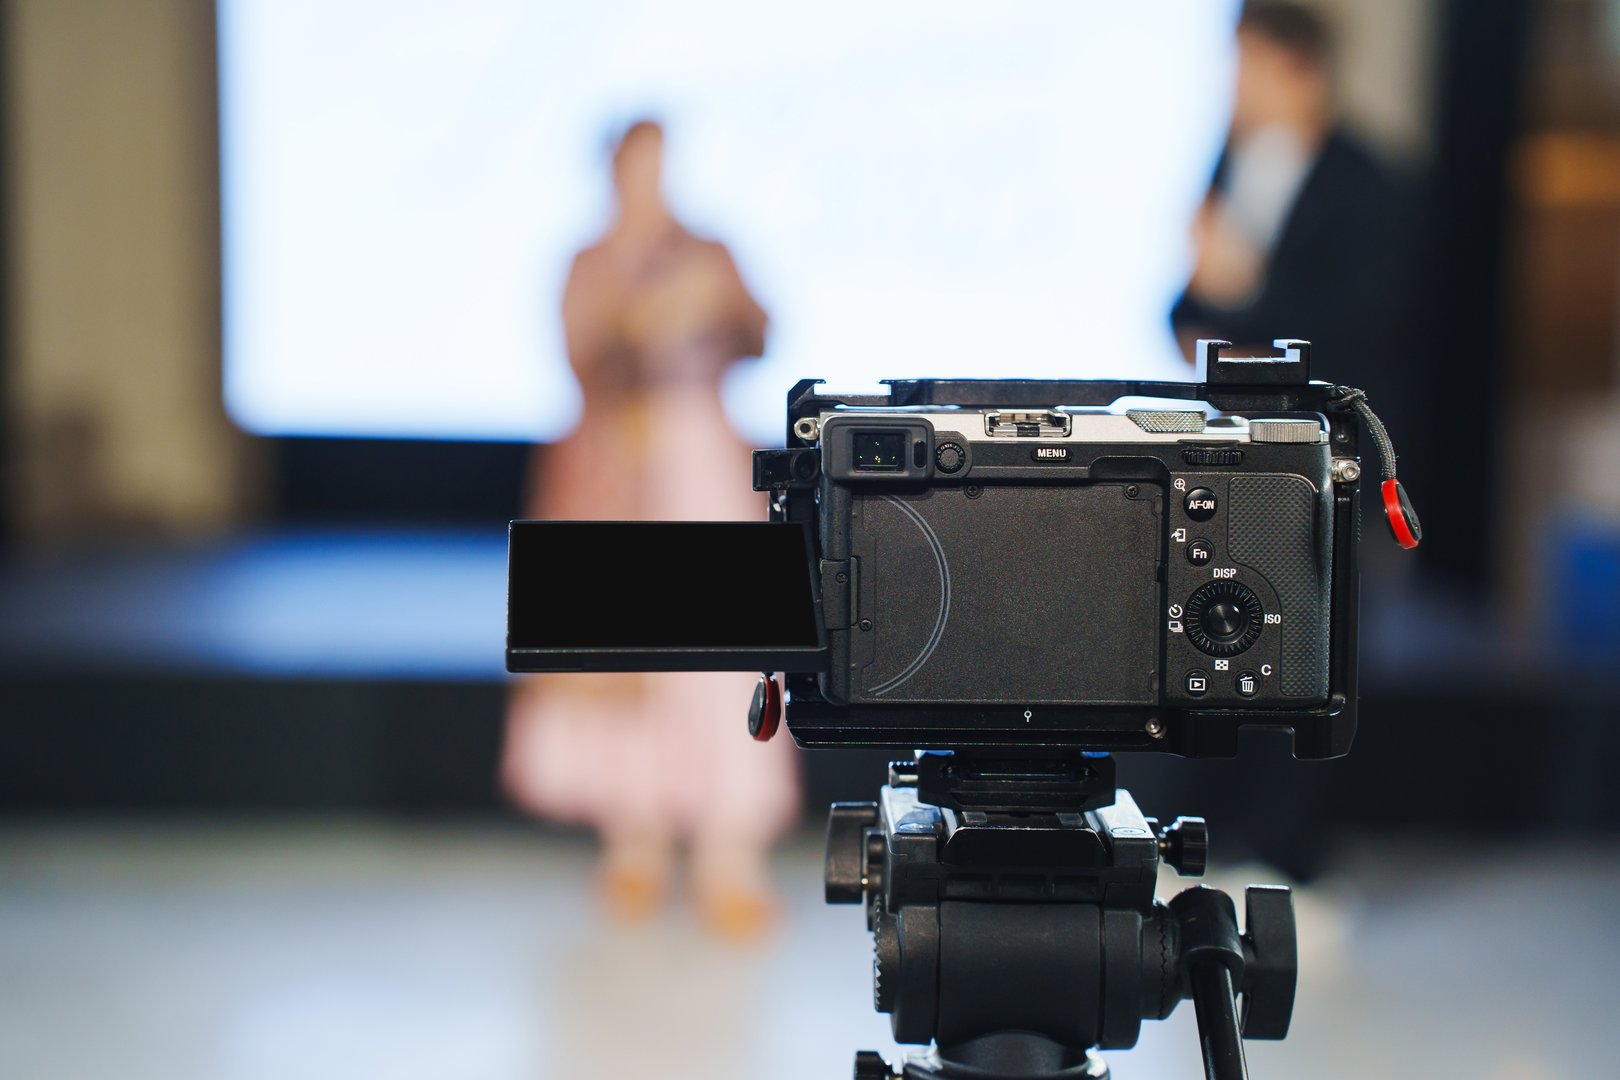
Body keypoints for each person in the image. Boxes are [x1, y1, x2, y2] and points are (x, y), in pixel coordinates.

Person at [502, 120, 797, 941]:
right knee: (628, 655)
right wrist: (643, 318)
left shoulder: (707, 248)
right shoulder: (589, 263)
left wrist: (713, 301)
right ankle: (635, 838)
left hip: (701, 461)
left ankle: (727, 852)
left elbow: (761, 332)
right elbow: (583, 358)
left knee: (724, 653)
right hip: (618, 472)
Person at [1172, 1, 1425, 451]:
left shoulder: (1369, 183)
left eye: (1251, 63)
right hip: (1240, 438)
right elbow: (1195, 297)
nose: (1235, 83)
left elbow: (1365, 321)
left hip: (1334, 444)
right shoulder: (1229, 163)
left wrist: (1245, 293)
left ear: (1301, 70)